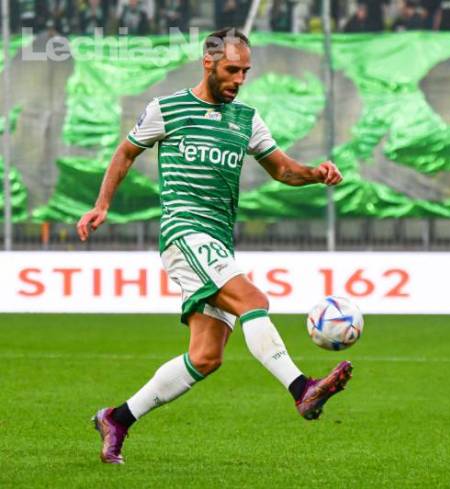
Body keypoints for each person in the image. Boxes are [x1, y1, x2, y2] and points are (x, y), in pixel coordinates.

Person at [77, 28, 352, 465]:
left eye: (245, 71)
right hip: (184, 232)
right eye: (231, 70)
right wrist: (102, 204)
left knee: (205, 357)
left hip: (218, 241)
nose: (239, 79)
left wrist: (315, 174)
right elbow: (126, 152)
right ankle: (302, 388)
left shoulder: (246, 119)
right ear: (208, 63)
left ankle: (117, 418)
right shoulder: (166, 109)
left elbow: (282, 170)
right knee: (253, 300)